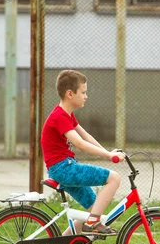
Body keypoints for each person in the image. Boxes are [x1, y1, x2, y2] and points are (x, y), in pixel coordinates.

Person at [41, 69, 124, 235]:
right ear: (70, 94)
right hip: (64, 169)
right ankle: (94, 224)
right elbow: (80, 143)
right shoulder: (60, 117)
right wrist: (108, 156)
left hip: (63, 168)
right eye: (83, 92)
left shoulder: (67, 115)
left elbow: (86, 135)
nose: (86, 96)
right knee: (114, 178)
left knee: (94, 210)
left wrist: (107, 152)